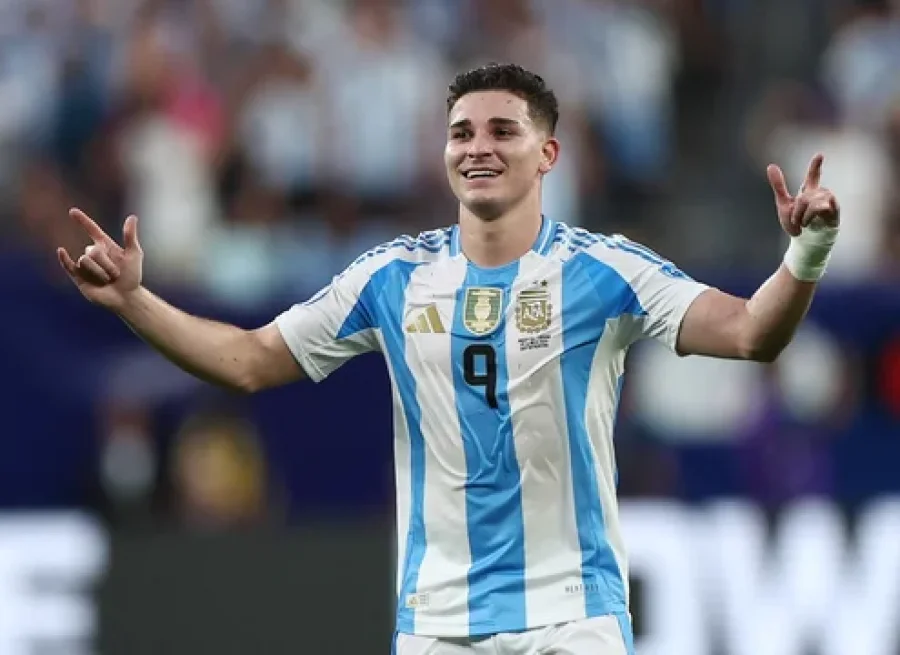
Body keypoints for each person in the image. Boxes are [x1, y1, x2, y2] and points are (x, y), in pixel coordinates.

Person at [57, 63, 841, 654]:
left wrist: (807, 250)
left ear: (548, 153)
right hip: (438, 621)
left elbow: (751, 333)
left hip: (572, 615)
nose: (478, 147)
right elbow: (251, 360)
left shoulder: (604, 270)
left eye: (502, 131)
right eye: (462, 133)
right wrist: (134, 300)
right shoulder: (392, 277)